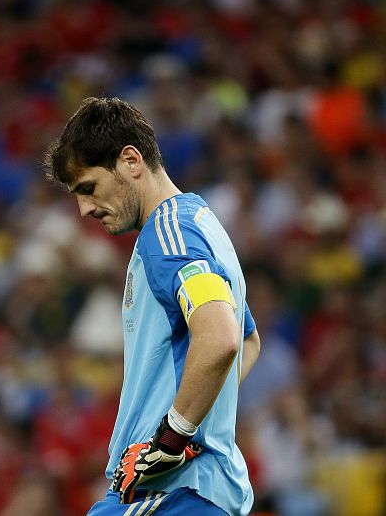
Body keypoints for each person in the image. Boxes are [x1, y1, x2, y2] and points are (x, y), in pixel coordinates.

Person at [43, 97, 261, 515]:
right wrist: (194, 419)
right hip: (193, 492)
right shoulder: (201, 226)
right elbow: (248, 340)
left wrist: (175, 435)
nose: (84, 209)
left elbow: (222, 338)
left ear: (130, 160)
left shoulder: (168, 235)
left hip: (173, 493)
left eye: (88, 188)